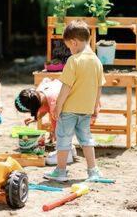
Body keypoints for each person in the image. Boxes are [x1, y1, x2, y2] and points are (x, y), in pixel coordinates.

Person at [43, 20, 106, 182]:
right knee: (87, 139)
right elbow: (99, 88)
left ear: (74, 42)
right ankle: (93, 171)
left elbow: (66, 88)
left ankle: (61, 171)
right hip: (86, 109)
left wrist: (58, 106)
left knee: (63, 139)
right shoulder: (97, 62)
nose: (70, 51)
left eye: (70, 47)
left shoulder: (74, 61)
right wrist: (95, 108)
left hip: (69, 109)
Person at [15, 78, 80, 165]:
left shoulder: (54, 102)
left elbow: (61, 122)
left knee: (60, 132)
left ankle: (65, 155)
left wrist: (54, 131)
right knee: (58, 130)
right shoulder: (38, 94)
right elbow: (44, 107)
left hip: (77, 109)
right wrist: (36, 118)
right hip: (67, 106)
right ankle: (70, 150)